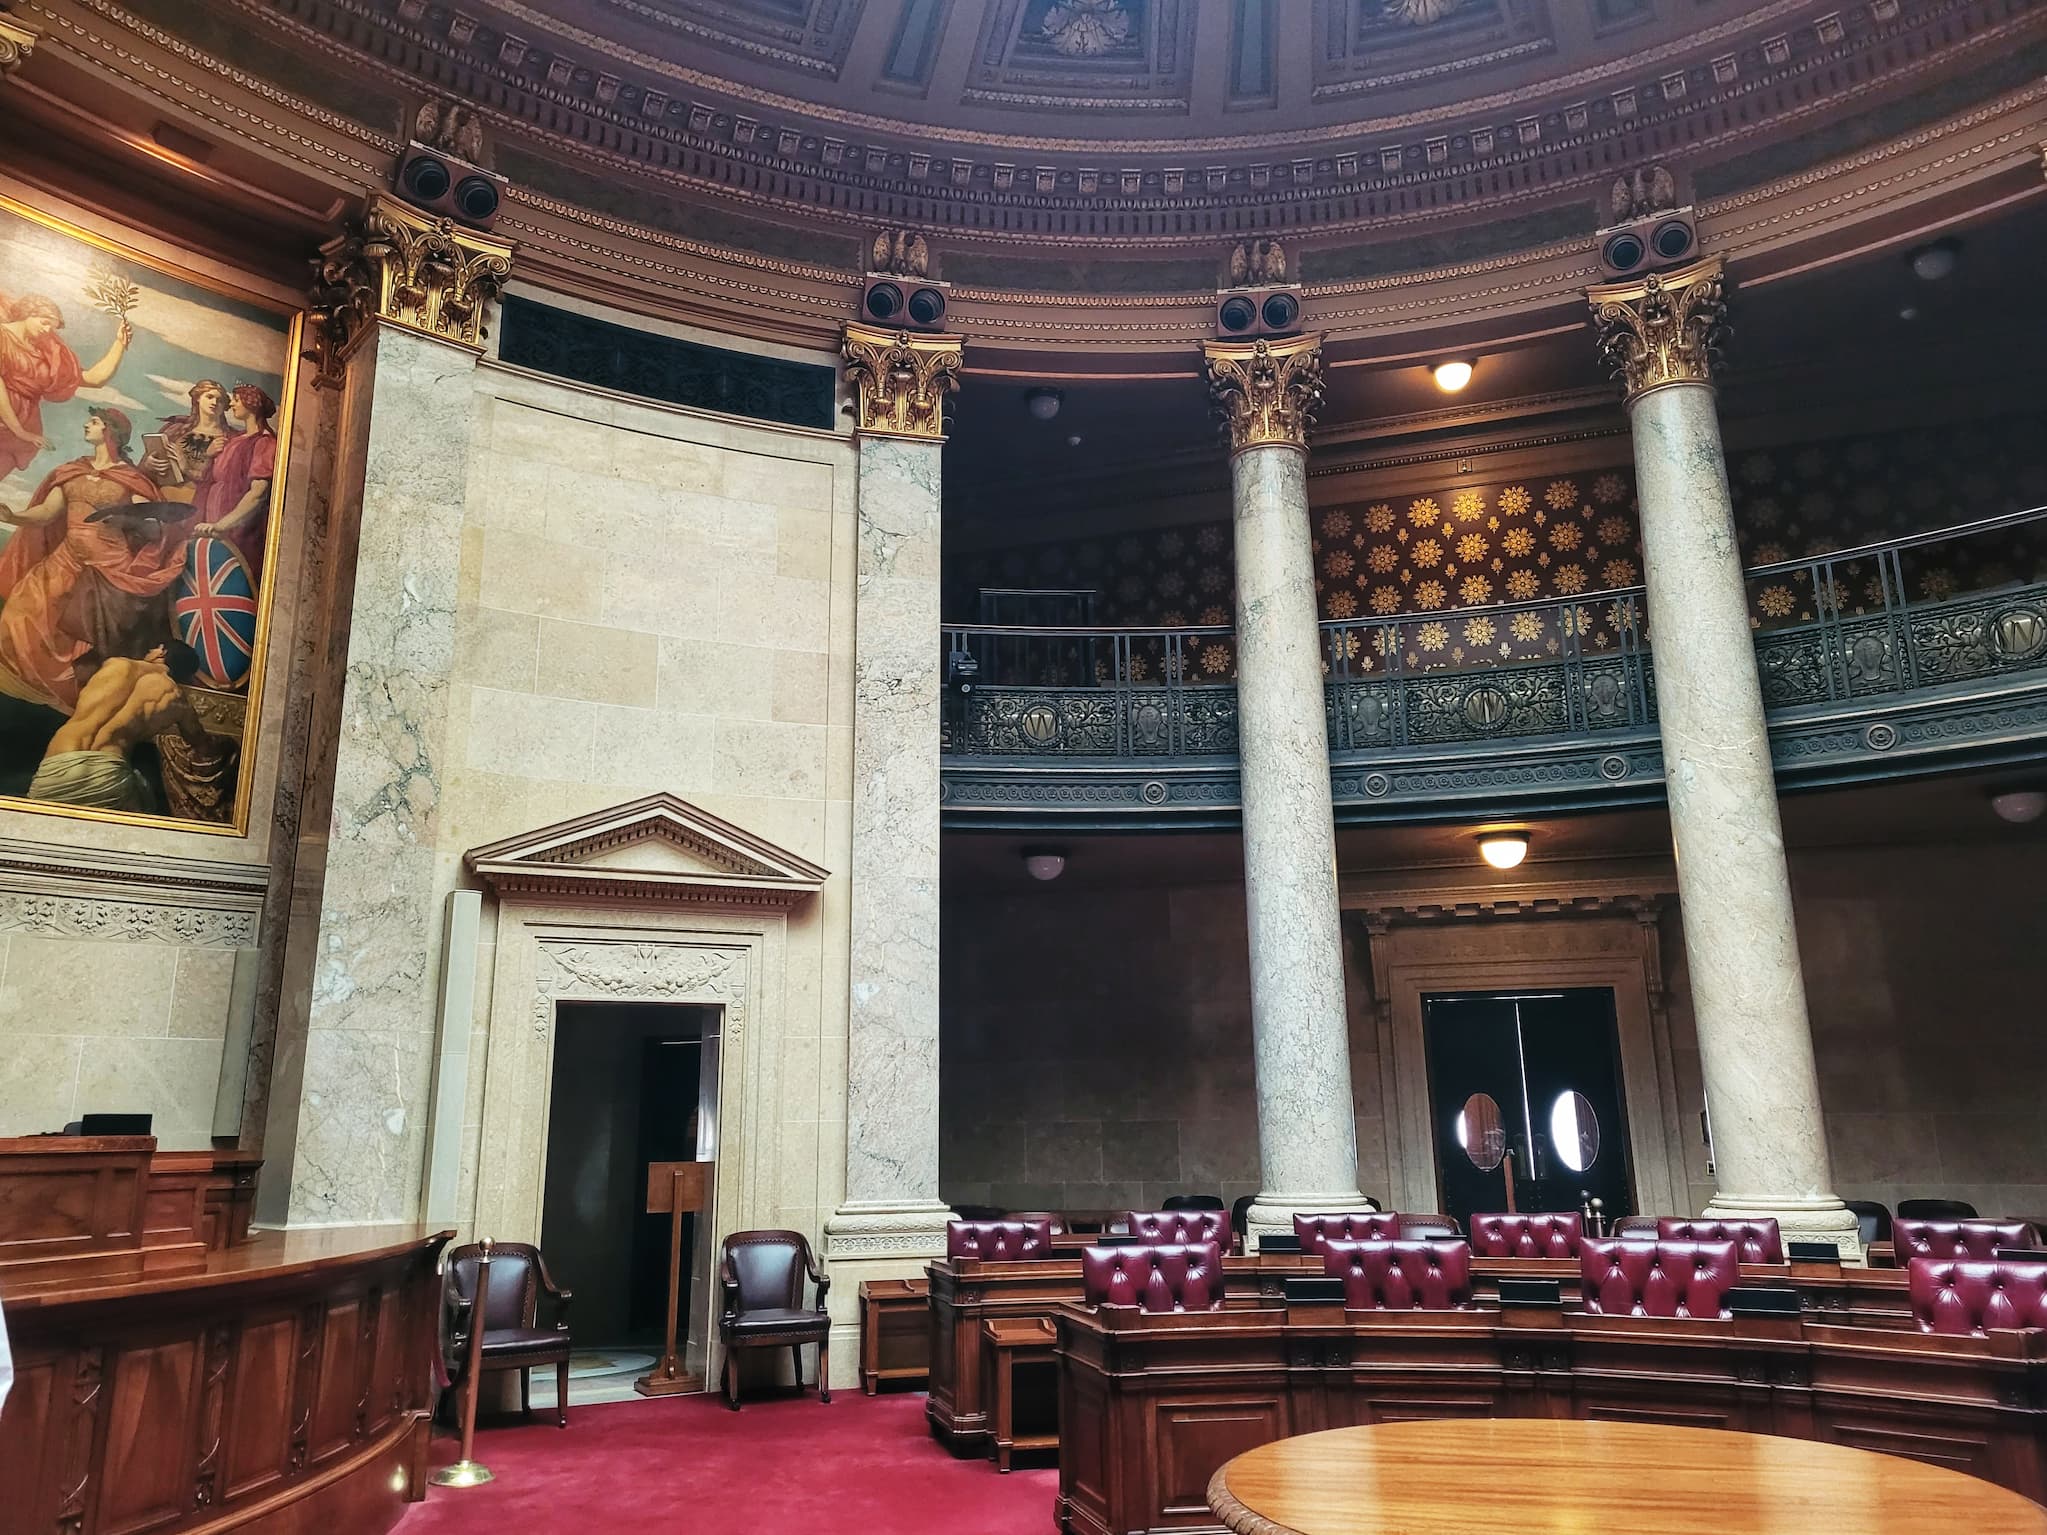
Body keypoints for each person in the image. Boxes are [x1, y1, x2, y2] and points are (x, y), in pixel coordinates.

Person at [0, 405, 174, 712]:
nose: (86, 425)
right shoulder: (72, 471)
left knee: (88, 638)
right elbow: (46, 515)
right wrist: (14, 516)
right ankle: (37, 693)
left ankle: (77, 699)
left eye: (93, 422)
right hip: (63, 561)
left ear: (110, 431)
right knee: (20, 613)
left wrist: (131, 521)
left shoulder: (129, 478)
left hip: (108, 569)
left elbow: (151, 524)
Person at [27, 640, 212, 813]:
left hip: (58, 762)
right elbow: (200, 743)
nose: (149, 651)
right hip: (107, 773)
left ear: (162, 651)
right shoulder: (177, 700)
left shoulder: (115, 665)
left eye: (153, 648)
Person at [0, 292, 132, 479]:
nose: (47, 330)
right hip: (8, 423)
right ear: (28, 312)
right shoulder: (2, 336)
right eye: (44, 322)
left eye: (52, 327)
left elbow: (95, 379)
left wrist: (120, 343)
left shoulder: (45, 354)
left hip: (25, 427)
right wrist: (20, 432)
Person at [190, 383, 278, 581]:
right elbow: (210, 478)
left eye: (237, 400)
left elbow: (258, 494)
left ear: (250, 404)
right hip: (212, 525)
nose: (232, 405)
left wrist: (222, 525)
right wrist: (210, 454)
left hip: (238, 533)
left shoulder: (265, 443)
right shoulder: (233, 439)